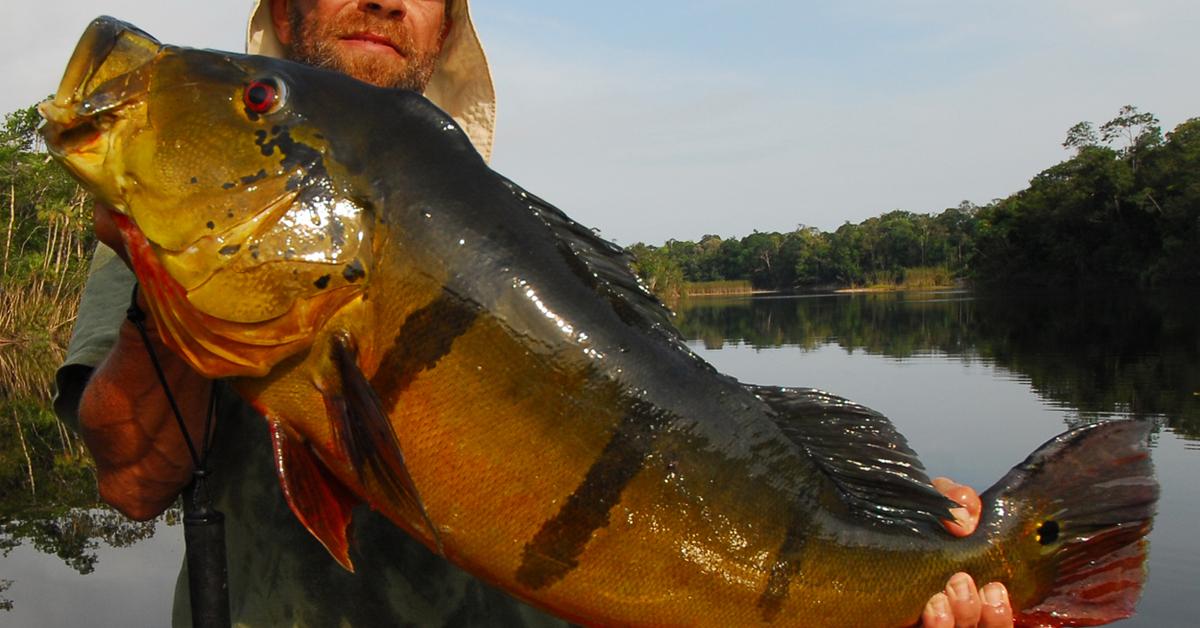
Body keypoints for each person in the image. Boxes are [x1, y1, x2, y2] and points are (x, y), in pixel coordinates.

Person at [51, 1, 1013, 626]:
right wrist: (168, 284)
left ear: (447, 28)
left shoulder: (521, 251)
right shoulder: (154, 237)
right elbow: (133, 483)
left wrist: (901, 532)